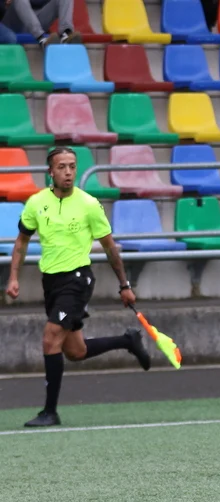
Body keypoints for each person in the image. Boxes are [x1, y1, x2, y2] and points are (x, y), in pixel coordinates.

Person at [5, 147, 150, 428]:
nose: (68, 172)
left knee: (50, 339)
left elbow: (110, 247)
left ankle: (50, 412)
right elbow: (21, 242)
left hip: (77, 279)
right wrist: (13, 277)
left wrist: (124, 285)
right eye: (62, 167)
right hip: (51, 282)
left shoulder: (89, 204)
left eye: (72, 166)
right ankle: (127, 341)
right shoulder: (36, 203)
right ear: (50, 172)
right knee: (75, 351)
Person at [0, 0, 80, 46]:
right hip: (12, 23)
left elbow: (39, 2)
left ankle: (66, 34)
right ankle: (41, 39)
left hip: (34, 20)